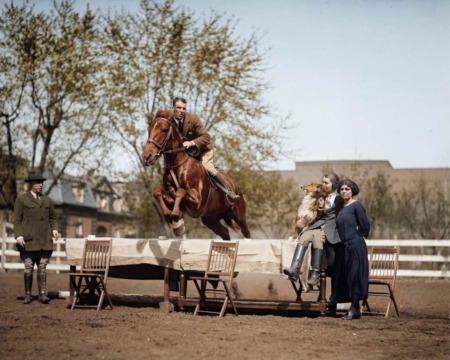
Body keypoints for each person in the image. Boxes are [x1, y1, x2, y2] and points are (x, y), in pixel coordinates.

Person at [170, 96, 240, 203]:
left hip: (203, 150)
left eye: (184, 108)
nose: (181, 111)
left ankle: (229, 192)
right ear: (172, 108)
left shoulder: (193, 118)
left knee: (208, 167)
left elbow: (206, 137)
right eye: (179, 108)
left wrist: (192, 142)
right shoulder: (169, 122)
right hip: (189, 155)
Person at [285, 173, 342, 289]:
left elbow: (338, 215)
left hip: (330, 228)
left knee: (317, 240)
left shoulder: (340, 198)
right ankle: (294, 269)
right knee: (304, 236)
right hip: (318, 225)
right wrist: (320, 208)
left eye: (326, 182)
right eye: (323, 182)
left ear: (334, 184)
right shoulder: (321, 196)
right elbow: (316, 214)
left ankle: (315, 274)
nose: (323, 184)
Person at [13, 171, 59, 304]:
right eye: (38, 183)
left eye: (41, 183)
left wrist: (55, 229)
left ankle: (42, 294)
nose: (40, 185)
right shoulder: (22, 199)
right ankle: (28, 295)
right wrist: (19, 236)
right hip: (28, 241)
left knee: (42, 266)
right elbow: (16, 219)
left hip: (44, 241)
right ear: (31, 184)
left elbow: (53, 217)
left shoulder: (47, 200)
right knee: (28, 266)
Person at [333, 179, 370, 320]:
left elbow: (365, 227)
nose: (344, 191)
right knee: (348, 276)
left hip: (355, 246)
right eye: (341, 189)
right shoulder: (339, 207)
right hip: (344, 247)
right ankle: (355, 310)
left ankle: (354, 309)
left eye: (347, 189)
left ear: (352, 191)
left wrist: (355, 238)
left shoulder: (356, 206)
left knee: (355, 276)